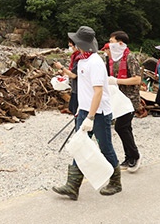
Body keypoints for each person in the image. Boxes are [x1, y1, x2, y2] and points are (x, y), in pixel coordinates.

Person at [53, 26, 122, 200]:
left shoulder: (95, 62)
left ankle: (116, 182)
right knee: (80, 146)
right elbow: (84, 89)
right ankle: (72, 186)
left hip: (98, 113)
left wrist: (91, 117)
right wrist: (81, 110)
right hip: (84, 110)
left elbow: (98, 92)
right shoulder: (82, 60)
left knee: (105, 147)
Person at [103, 31, 143, 172]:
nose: (109, 44)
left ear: (120, 43)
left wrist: (117, 81)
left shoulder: (130, 58)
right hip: (118, 98)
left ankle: (136, 155)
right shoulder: (113, 59)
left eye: (112, 41)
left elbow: (137, 79)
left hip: (129, 99)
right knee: (126, 128)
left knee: (121, 127)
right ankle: (129, 157)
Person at [53, 39, 79, 115]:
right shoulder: (74, 56)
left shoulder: (79, 58)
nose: (70, 48)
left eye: (71, 46)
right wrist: (64, 73)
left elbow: (74, 75)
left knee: (77, 112)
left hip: (78, 89)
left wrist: (61, 67)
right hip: (75, 88)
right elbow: (71, 72)